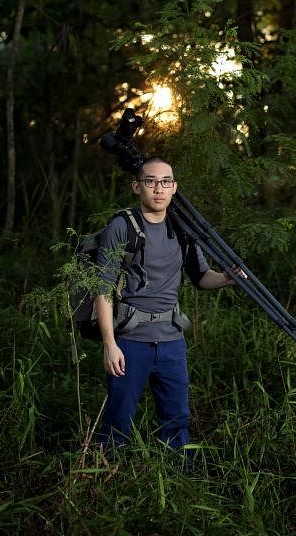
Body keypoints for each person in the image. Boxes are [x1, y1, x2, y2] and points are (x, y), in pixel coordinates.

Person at [95, 156, 245, 453]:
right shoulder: (122, 226)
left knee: (177, 420)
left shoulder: (183, 229)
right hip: (130, 340)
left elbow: (202, 277)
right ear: (137, 186)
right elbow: (103, 289)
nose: (158, 188)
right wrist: (109, 344)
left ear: (174, 187)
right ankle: (105, 482)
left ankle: (180, 477)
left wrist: (228, 278)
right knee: (118, 421)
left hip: (171, 340)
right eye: (150, 181)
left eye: (165, 182)